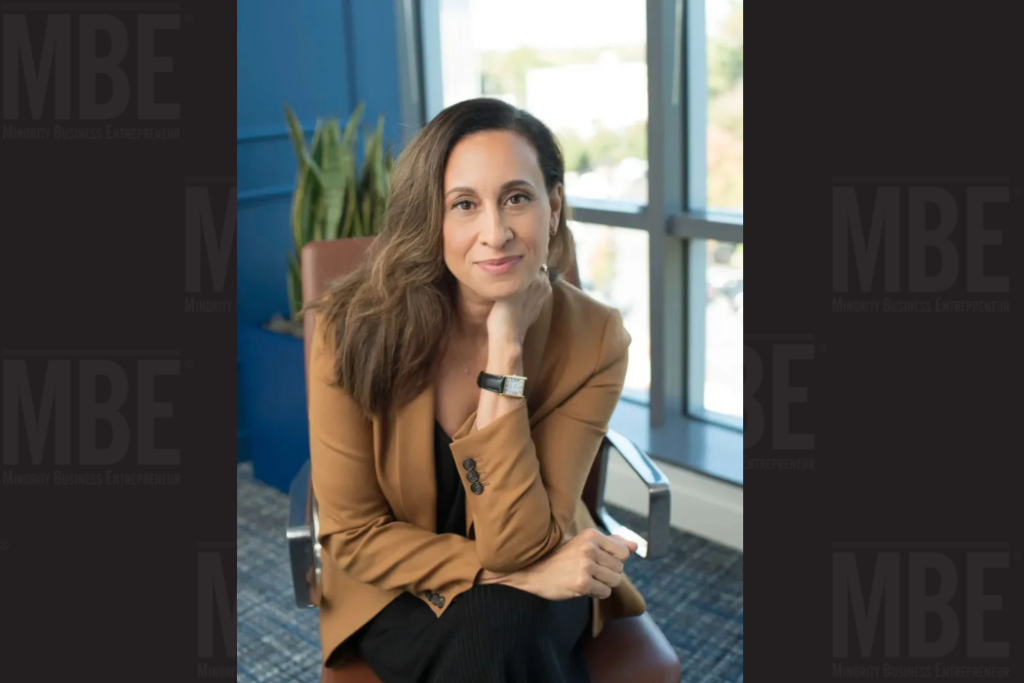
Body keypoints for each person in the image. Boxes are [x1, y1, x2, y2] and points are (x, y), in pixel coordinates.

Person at [306, 97, 647, 682]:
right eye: (464, 204)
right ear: (431, 220)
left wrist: (506, 348)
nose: (496, 233)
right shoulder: (351, 328)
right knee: (504, 629)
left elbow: (522, 543)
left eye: (517, 198)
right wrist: (504, 576)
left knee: (503, 628)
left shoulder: (596, 337)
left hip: (546, 559)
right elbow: (355, 537)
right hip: (394, 586)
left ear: (553, 206)